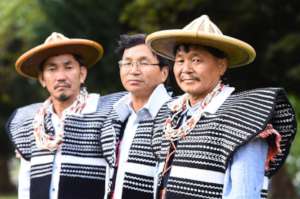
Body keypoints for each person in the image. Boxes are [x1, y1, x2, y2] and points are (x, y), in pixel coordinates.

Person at [146, 15, 297, 199]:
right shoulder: (171, 114)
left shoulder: (244, 116)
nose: (185, 69)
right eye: (180, 60)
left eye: (196, 60)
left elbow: (244, 194)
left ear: (221, 65)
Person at [6, 32, 123, 199]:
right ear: (42, 79)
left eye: (68, 67)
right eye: (52, 69)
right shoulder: (31, 122)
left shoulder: (106, 113)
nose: (61, 77)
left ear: (82, 74)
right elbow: (26, 184)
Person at [100, 34, 171, 199]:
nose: (133, 70)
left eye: (143, 62)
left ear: (164, 73)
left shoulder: (175, 117)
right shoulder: (117, 115)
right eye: (127, 63)